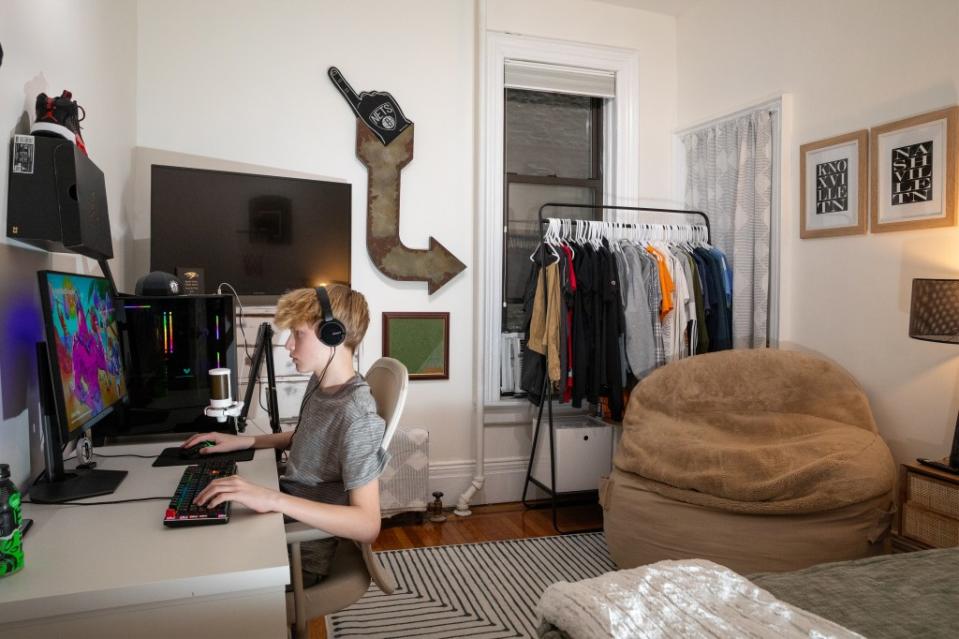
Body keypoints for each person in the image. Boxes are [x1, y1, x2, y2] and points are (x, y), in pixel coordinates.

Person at [186, 285, 388, 586]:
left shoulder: (358, 416)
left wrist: (272, 498)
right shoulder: (321, 384)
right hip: (278, 521)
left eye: (298, 334)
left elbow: (368, 524)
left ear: (332, 334)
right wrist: (246, 442)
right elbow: (309, 437)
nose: (289, 345)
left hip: (299, 553)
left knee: (195, 572)